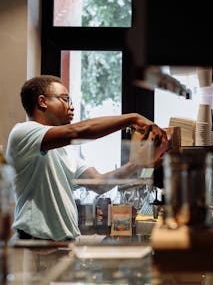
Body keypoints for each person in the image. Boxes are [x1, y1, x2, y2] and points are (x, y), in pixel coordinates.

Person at [5, 75, 170, 241]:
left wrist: (139, 164)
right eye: (65, 99)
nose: (72, 107)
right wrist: (133, 118)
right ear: (42, 101)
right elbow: (77, 131)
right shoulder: (23, 132)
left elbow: (99, 184)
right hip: (34, 241)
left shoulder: (65, 150)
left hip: (62, 243)